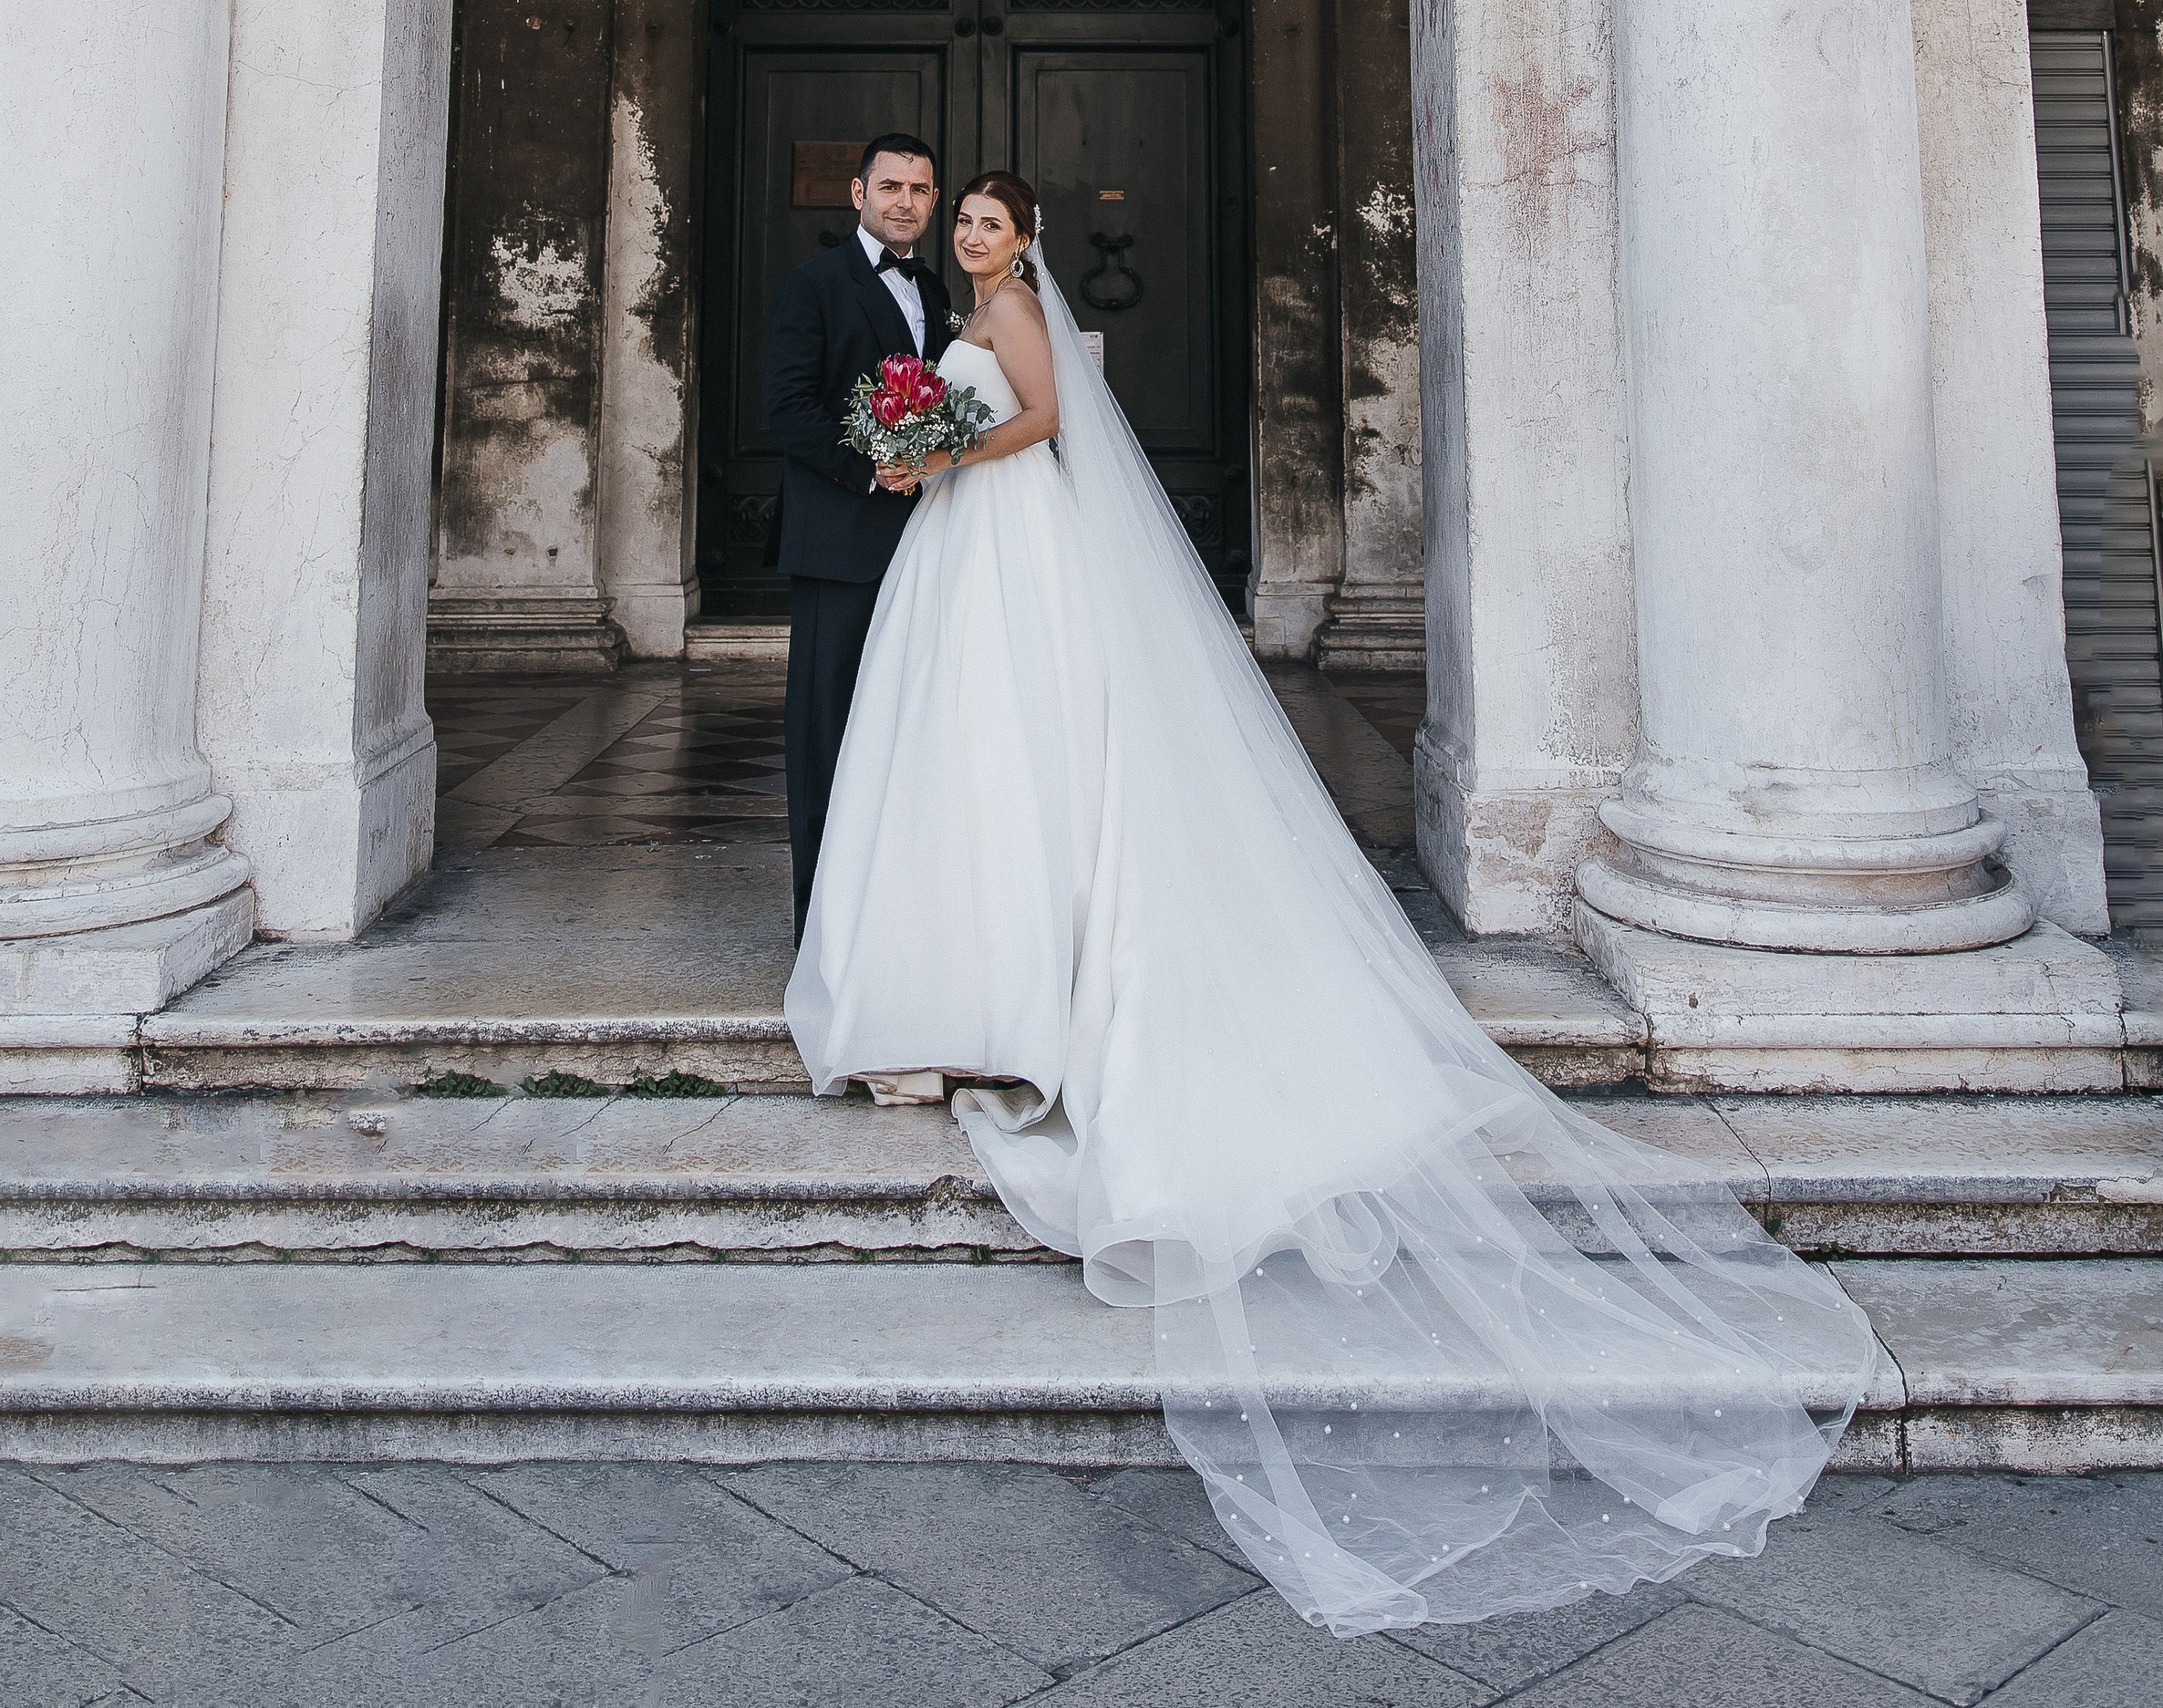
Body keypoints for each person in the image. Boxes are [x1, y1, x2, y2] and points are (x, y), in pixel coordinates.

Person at [789, 171, 1878, 1636]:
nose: (971, 233)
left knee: (1016, 754)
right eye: (957, 217)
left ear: (1022, 234)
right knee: (958, 762)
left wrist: (950, 443)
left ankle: (1011, 990)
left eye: (986, 218)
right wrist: (920, 444)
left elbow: (1040, 422)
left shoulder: (1016, 315)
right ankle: (959, 986)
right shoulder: (961, 307)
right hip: (960, 548)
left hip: (1006, 534)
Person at [762, 134, 955, 938]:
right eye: (889, 185)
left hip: (927, 543)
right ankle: (823, 922)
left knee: (909, 729)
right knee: (828, 729)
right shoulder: (814, 285)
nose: (904, 200)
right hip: (840, 542)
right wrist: (873, 469)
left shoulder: (939, 290)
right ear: (857, 192)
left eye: (918, 188)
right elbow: (789, 407)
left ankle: (894, 915)